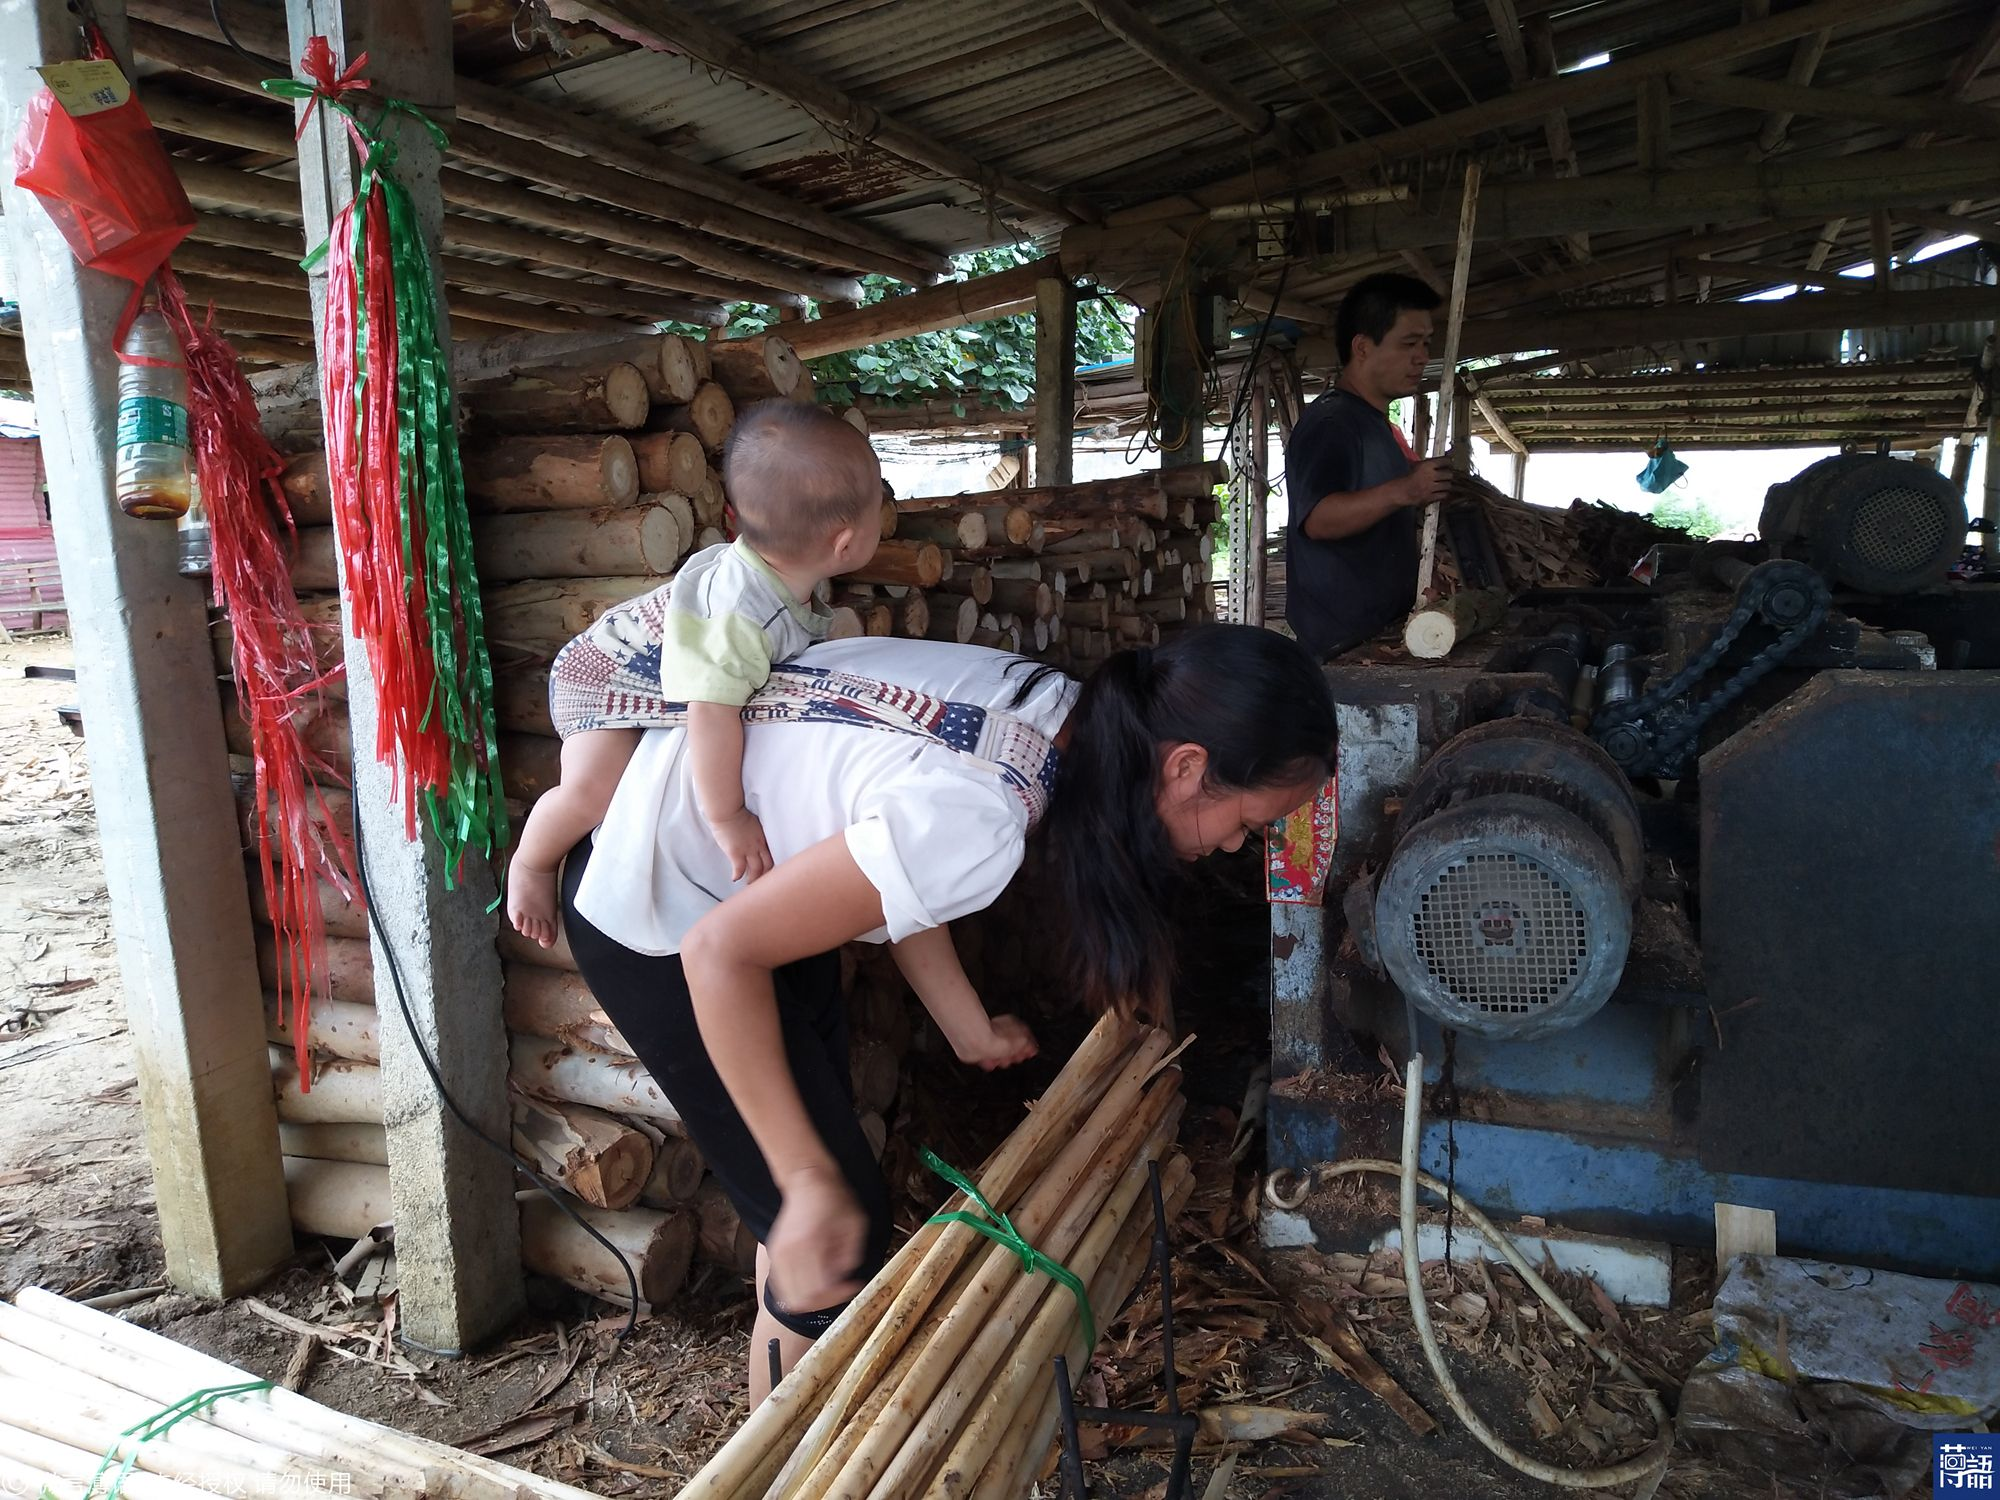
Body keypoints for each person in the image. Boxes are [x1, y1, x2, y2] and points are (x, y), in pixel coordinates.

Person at [555, 624, 1337, 1402]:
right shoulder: (991, 812)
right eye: (1248, 824)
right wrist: (804, 1181)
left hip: (746, 883)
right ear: (1187, 765)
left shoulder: (1052, 709)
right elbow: (719, 953)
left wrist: (963, 1020)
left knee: (811, 1207)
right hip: (655, 906)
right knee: (835, 1226)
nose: (1237, 848)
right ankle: (779, 1464)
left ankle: (788, 1349)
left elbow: (896, 861)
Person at [506, 400, 881, 948]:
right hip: (604, 679)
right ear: (844, 544)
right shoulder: (740, 617)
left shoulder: (778, 576)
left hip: (652, 675)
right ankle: (532, 862)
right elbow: (711, 715)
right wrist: (727, 817)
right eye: (879, 506)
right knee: (594, 789)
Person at [1285, 272, 1455, 659]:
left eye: (1426, 343)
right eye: (1409, 343)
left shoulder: (1375, 425)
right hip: (1341, 651)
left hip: (1381, 638)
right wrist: (1406, 490)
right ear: (1362, 347)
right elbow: (1318, 519)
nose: (1423, 357)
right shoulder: (1332, 423)